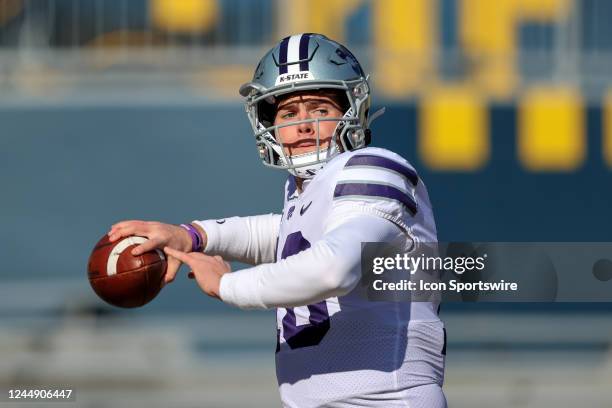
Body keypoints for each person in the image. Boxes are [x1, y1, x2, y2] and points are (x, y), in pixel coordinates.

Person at [108, 33, 447, 408]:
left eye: (319, 109)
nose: (303, 125)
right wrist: (193, 235)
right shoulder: (304, 190)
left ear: (353, 110)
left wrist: (228, 285)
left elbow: (333, 269)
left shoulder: (373, 167)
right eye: (288, 114)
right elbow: (285, 234)